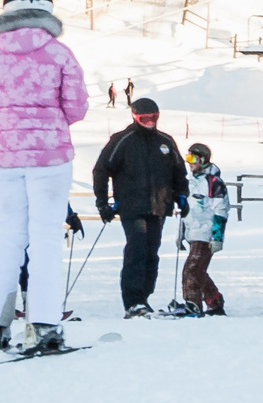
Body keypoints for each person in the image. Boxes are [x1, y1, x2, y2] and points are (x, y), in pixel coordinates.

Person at [0, 0, 90, 354]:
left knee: (6, 237)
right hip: (50, 156)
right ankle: (43, 325)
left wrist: (13, 120)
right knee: (45, 239)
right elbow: (77, 107)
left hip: (4, 154)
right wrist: (48, 121)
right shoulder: (59, 52)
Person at [90, 95, 185, 317]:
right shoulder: (123, 140)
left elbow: (179, 171)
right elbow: (101, 170)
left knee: (152, 252)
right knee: (137, 249)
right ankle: (132, 301)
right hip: (132, 206)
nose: (150, 122)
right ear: (135, 117)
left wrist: (182, 196)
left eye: (154, 117)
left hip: (159, 206)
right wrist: (102, 202)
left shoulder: (166, 141)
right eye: (145, 118)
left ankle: (144, 297)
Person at [177, 144, 230, 315]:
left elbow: (220, 210)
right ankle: (214, 300)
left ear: (203, 160)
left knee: (191, 270)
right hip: (194, 233)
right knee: (198, 271)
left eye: (193, 159)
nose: (190, 163)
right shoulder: (192, 182)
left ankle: (193, 304)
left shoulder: (213, 182)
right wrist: (181, 234)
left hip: (206, 234)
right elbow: (187, 209)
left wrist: (217, 236)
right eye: (188, 159)